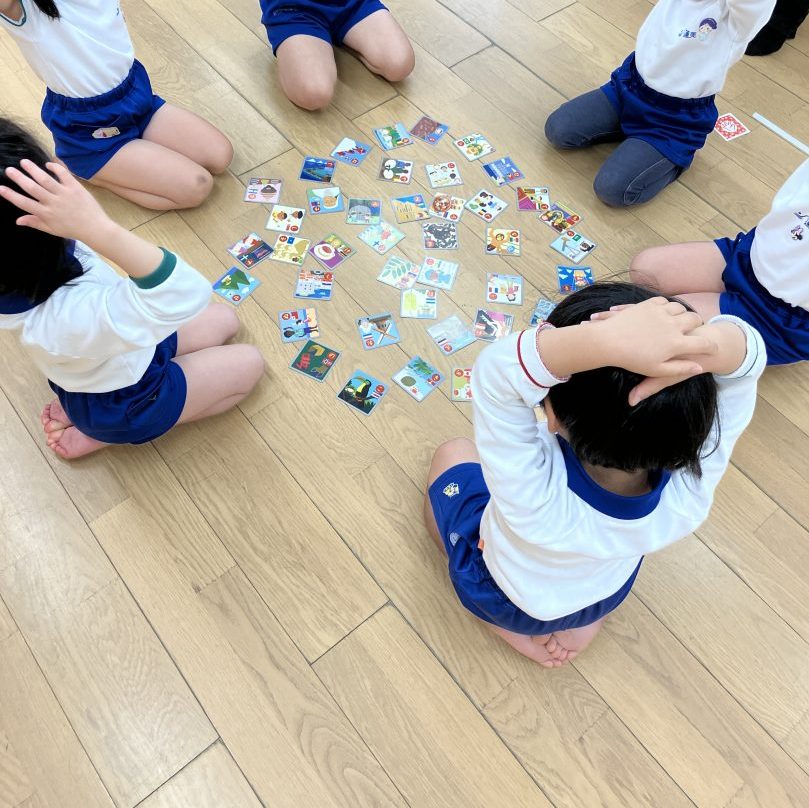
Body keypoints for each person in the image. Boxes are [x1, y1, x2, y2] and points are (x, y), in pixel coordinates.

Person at [424, 284, 765, 667]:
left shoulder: (535, 493)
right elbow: (747, 363)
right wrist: (700, 344)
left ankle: (506, 626)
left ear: (552, 416)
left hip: (509, 598)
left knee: (452, 453)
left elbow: (495, 372)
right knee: (582, 587)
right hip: (603, 592)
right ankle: (580, 623)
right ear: (697, 421)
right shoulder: (691, 488)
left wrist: (601, 342)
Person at [0, 119, 263, 459]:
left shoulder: (27, 262)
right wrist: (98, 227)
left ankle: (89, 413)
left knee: (225, 319)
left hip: (107, 359)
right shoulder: (64, 314)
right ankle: (107, 432)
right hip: (126, 400)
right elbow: (186, 292)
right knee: (251, 363)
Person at [0, 0, 233, 209]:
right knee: (197, 186)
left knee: (220, 156)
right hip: (89, 132)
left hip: (136, 98)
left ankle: (125, 158)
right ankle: (85, 166)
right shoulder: (23, 8)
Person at [544, 0, 776, 207]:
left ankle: (669, 158)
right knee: (558, 129)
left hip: (673, 122)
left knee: (611, 189)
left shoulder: (738, 17)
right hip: (628, 88)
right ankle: (629, 134)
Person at [630, 158, 809, 364]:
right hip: (750, 257)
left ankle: (754, 342)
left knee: (658, 336)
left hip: (779, 319)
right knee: (644, 270)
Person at [259, 0, 415, 110]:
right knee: (313, 93)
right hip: (293, 11)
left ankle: (335, 40)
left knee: (399, 64)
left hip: (352, 3)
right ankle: (311, 45)